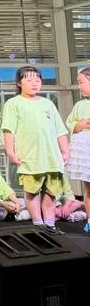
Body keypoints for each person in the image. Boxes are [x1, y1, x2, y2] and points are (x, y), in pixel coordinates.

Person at [2, 65, 69, 234]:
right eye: (29, 79)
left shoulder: (48, 104)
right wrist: (10, 152)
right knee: (32, 191)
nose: (34, 83)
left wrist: (65, 151)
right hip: (29, 157)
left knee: (51, 192)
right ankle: (38, 225)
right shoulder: (13, 103)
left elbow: (60, 131)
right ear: (19, 83)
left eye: (37, 79)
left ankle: (50, 224)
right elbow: (9, 130)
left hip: (51, 157)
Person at [65, 66, 90, 234]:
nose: (79, 86)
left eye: (81, 82)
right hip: (86, 151)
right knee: (89, 188)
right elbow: (70, 124)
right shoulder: (80, 105)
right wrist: (79, 125)